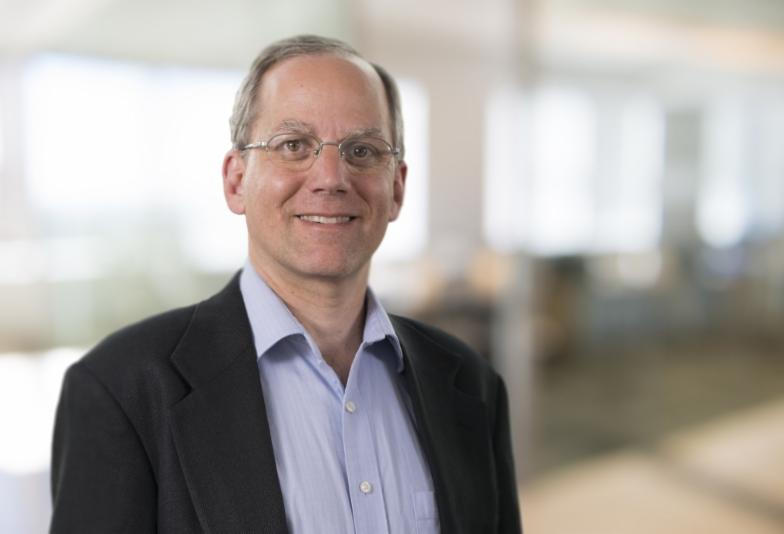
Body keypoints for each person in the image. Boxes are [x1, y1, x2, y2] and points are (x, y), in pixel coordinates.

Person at [50, 34, 521, 534]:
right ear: (236, 181)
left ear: (397, 188)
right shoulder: (120, 391)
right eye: (293, 146)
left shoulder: (472, 385)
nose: (331, 177)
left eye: (362, 150)